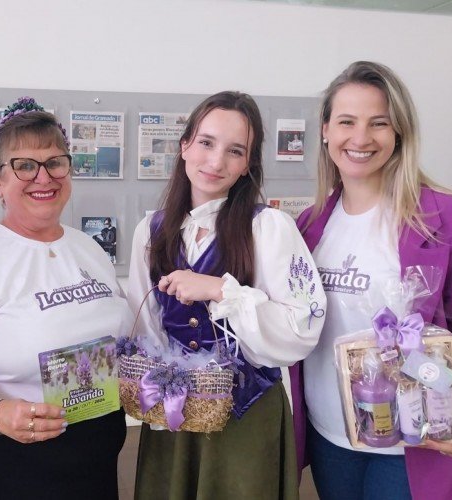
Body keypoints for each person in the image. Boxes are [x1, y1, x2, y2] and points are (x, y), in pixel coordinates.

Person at [289, 61, 452, 500]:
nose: (361, 138)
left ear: (399, 133)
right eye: (347, 122)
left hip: (417, 440)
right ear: (326, 130)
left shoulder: (446, 217)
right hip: (332, 437)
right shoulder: (308, 226)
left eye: (379, 124)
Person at [0, 97, 133, 499]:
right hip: (18, 455)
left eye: (55, 162)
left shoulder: (90, 249)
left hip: (98, 449)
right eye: (24, 166)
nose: (43, 177)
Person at [127, 91, 326, 499]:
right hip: (176, 412)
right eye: (206, 143)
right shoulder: (152, 231)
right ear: (184, 146)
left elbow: (302, 325)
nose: (216, 162)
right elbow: (145, 325)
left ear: (247, 165)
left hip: (246, 417)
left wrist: (222, 291)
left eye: (235, 151)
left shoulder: (269, 227)